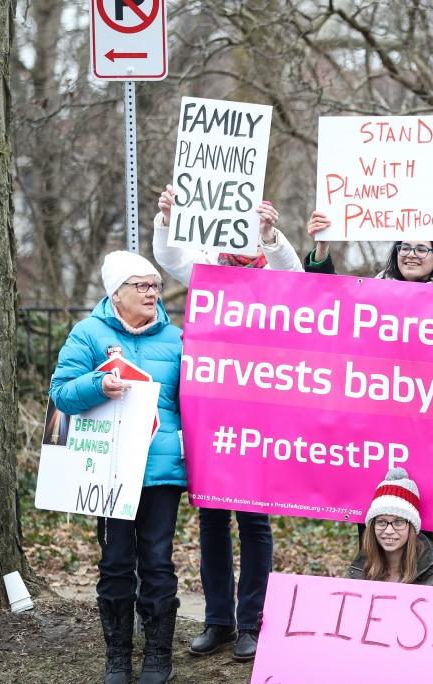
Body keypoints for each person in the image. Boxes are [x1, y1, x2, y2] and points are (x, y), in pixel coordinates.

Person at [153, 185, 301, 662]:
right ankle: (219, 621)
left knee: (254, 522)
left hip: (259, 415)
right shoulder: (206, 268)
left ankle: (251, 624)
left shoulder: (271, 267)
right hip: (211, 412)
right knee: (213, 518)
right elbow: (168, 252)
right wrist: (167, 217)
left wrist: (269, 236)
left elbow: (297, 277)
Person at [50, 251, 185, 684]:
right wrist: (97, 384)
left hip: (161, 470)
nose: (152, 293)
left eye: (155, 285)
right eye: (141, 285)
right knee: (115, 562)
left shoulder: (179, 338)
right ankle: (118, 659)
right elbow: (61, 395)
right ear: (116, 292)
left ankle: (158, 657)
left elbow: (196, 404)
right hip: (109, 473)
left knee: (158, 562)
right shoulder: (87, 334)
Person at [302, 209, 433, 287]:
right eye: (405, 248)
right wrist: (323, 243)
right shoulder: (374, 290)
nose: (411, 255)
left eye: (422, 250)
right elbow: (330, 296)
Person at [346, 467, 433, 588]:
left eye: (398, 522)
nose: (388, 531)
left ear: (411, 527)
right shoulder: (361, 567)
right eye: (381, 522)